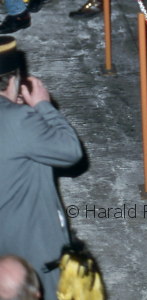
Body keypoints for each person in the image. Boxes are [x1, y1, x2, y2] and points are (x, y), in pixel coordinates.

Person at [0, 37, 83, 299]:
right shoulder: (20, 120)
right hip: (27, 247)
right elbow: (70, 152)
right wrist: (43, 107)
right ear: (14, 80)